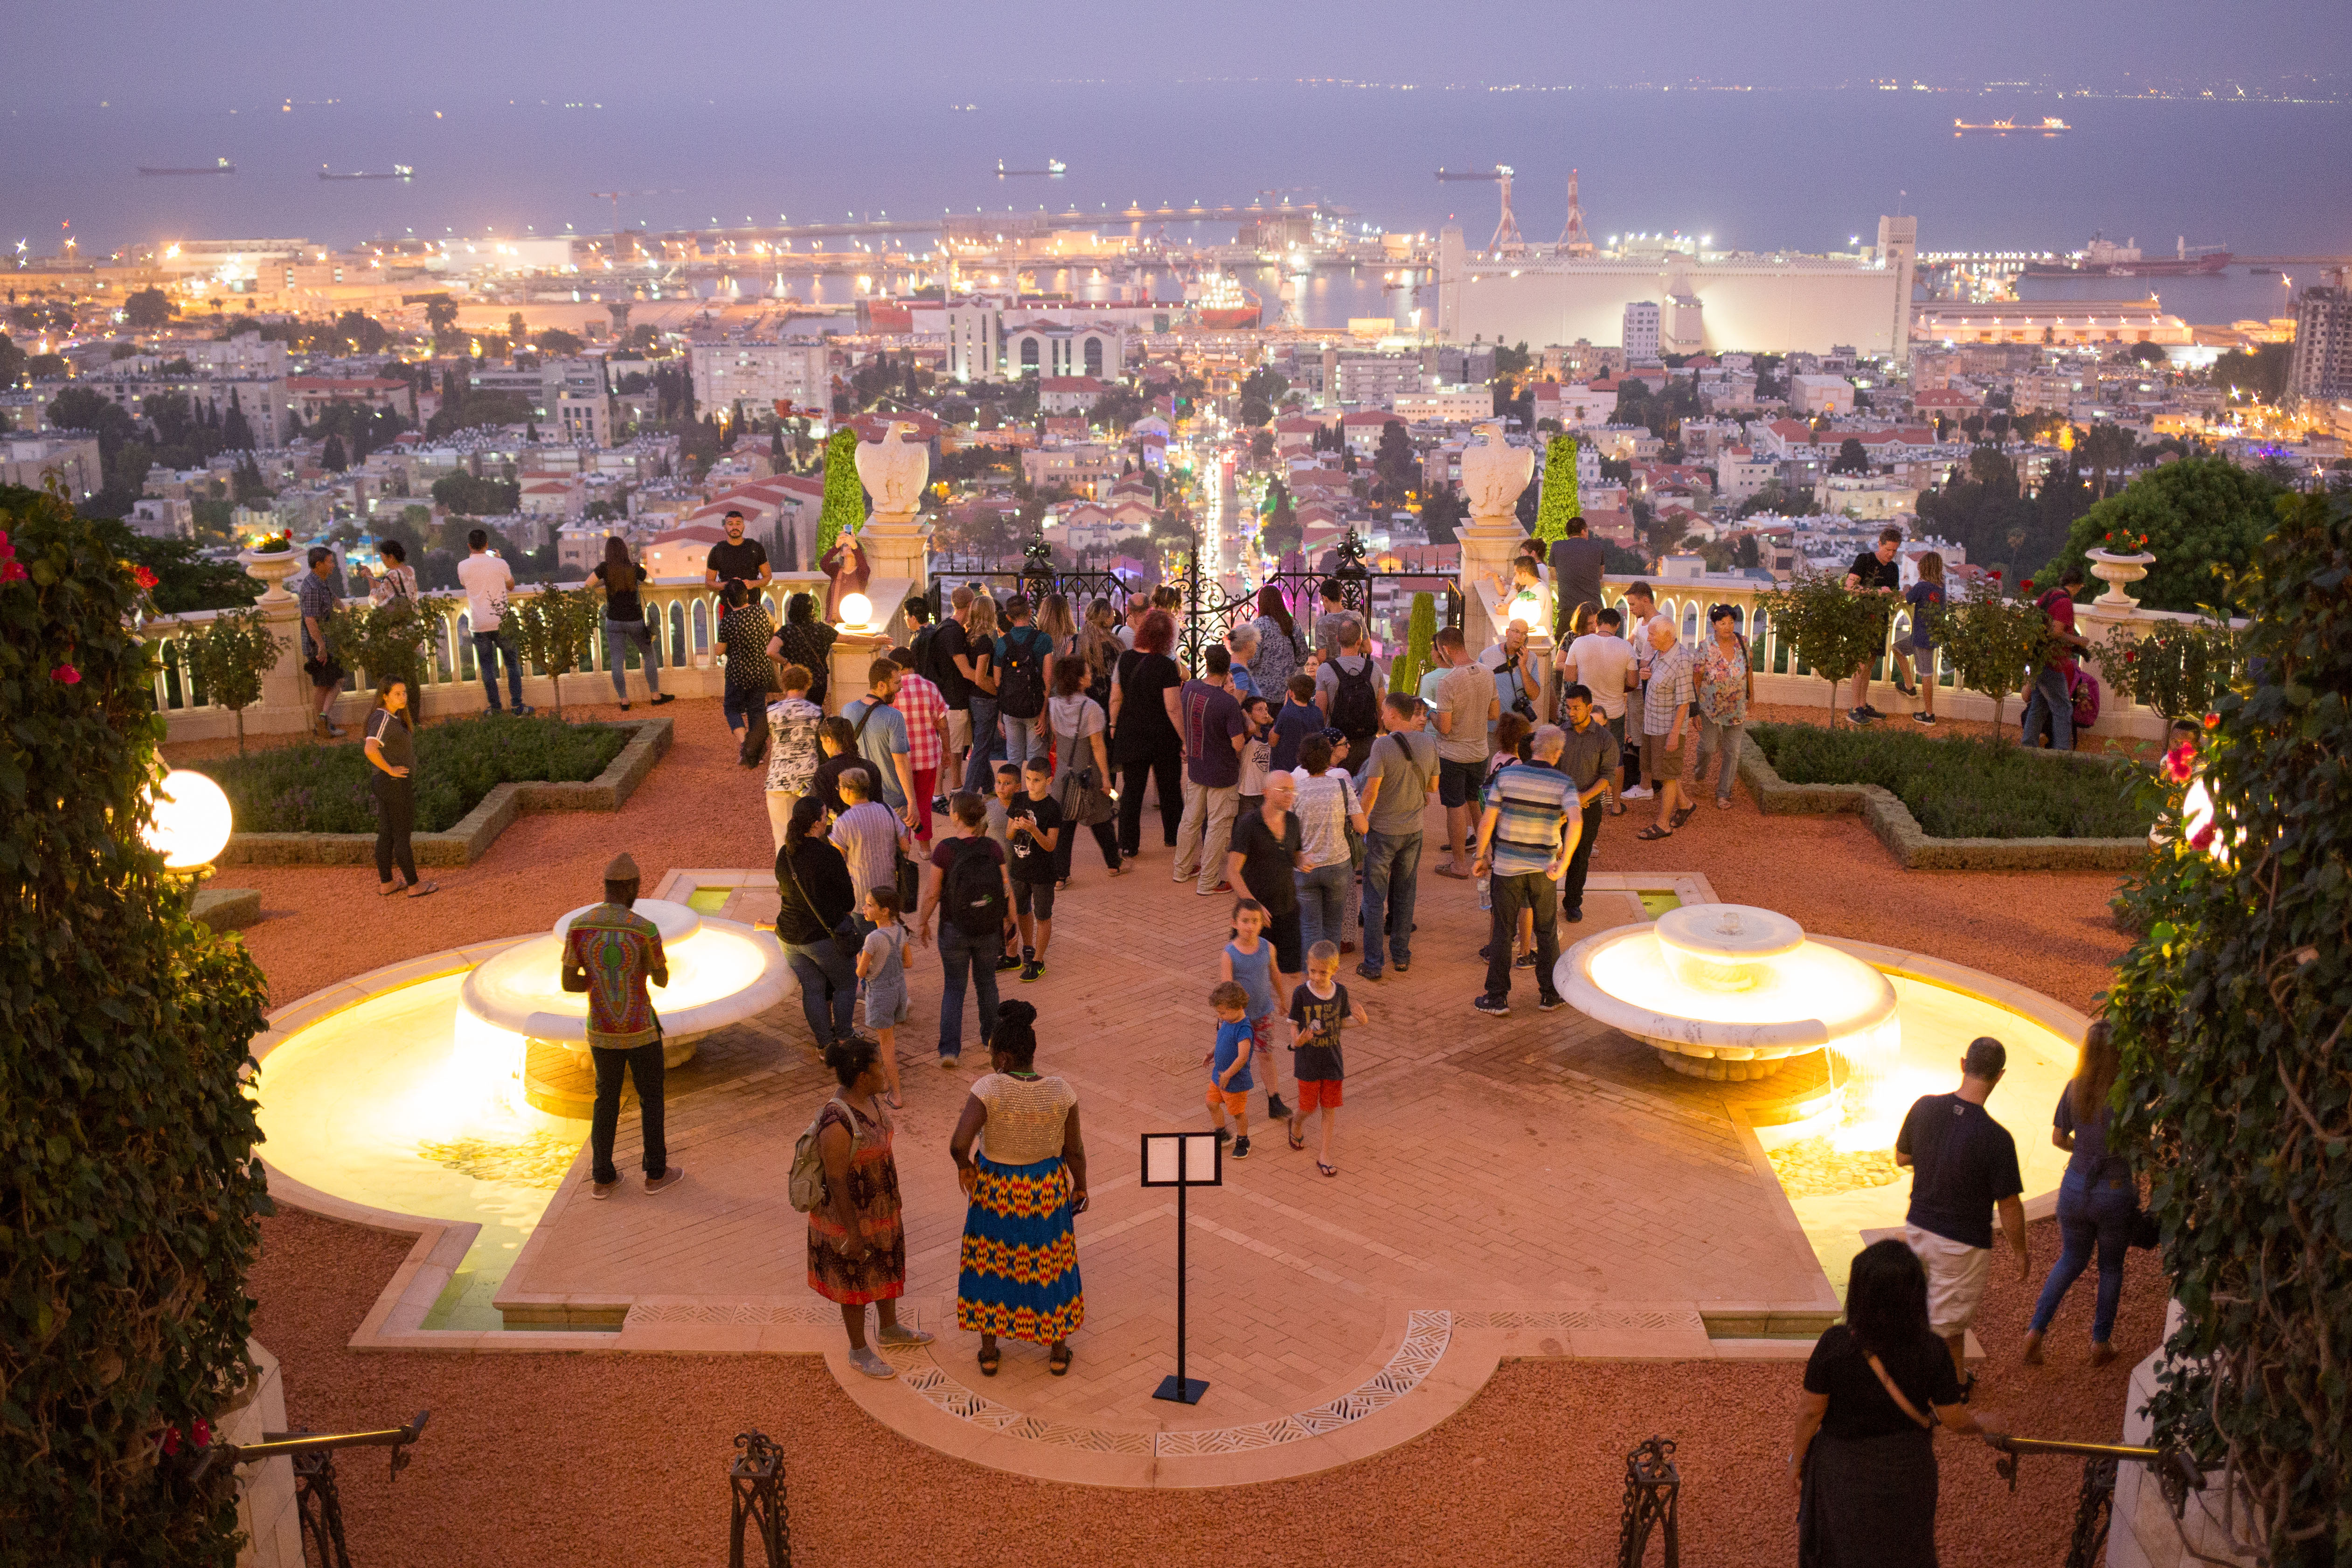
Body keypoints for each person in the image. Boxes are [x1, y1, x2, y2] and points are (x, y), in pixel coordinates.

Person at [1791, 1239, 2005, 1568]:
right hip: (1907, 1464)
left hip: (1843, 1465)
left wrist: (1797, 1462)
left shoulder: (1835, 1344)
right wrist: (1983, 1424)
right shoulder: (1932, 1349)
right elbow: (1952, 1418)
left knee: (1841, 1548)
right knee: (1905, 1547)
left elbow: (1810, 1412)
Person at [951, 1000, 1087, 1376]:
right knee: (1050, 1264)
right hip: (1045, 1188)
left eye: (994, 1055)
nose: (993, 1062)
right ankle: (1058, 1353)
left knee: (991, 1263)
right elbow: (1073, 1148)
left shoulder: (989, 1089)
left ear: (1006, 1057)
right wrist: (1081, 1188)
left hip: (996, 1188)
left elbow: (958, 1144)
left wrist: (965, 1167)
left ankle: (990, 1353)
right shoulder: (1062, 1091)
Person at [1896, 1036, 2030, 1380]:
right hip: (1961, 1242)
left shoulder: (1924, 1106)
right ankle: (1950, 1390)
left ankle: (1939, 1379)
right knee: (1948, 1326)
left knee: (1918, 1310)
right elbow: (2009, 1204)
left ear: (1962, 1064)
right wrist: (2020, 1252)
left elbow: (1902, 1157)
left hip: (1917, 1227)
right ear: (1999, 1076)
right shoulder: (1997, 1139)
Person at [808, 1034, 931, 1380]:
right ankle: (858, 1349)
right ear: (862, 1076)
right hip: (851, 1219)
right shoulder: (837, 1122)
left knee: (884, 1266)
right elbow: (835, 1180)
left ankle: (890, 1329)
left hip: (879, 1210)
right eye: (879, 1066)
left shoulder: (871, 1101)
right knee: (855, 1279)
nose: (885, 1072)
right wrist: (853, 1233)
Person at [561, 852, 682, 1197]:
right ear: (631, 886)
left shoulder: (579, 927)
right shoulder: (644, 929)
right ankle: (656, 1174)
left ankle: (602, 1178)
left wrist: (597, 982)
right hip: (640, 1028)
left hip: (601, 1029)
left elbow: (569, 983)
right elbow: (661, 980)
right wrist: (647, 969)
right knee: (651, 1098)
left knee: (606, 1099)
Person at [2024, 1021, 2136, 1367]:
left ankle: (2035, 1332)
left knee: (2070, 1259)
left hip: (2073, 1187)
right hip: (2114, 1191)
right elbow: (2142, 1144)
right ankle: (2100, 1344)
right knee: (2110, 1267)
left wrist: (2084, 1151)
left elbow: (2058, 1138)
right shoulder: (2128, 1093)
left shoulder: (2075, 1088)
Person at [1471, 724, 1581, 1017]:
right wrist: (1565, 862)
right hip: (1544, 869)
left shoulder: (1506, 776)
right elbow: (1576, 822)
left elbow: (1487, 822)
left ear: (1533, 747)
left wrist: (1480, 856)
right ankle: (1550, 994)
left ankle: (1497, 998)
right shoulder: (1565, 783)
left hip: (1506, 867)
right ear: (1558, 753)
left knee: (1502, 933)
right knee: (1546, 933)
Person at [918, 792, 1012, 1068]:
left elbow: (933, 893)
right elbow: (1006, 889)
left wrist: (923, 921)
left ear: (956, 816)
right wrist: (1012, 920)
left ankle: (949, 1050)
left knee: (954, 989)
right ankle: (991, 1040)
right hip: (988, 929)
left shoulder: (945, 849)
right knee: (987, 984)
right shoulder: (993, 848)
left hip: (953, 929)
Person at [1356, 693, 1435, 981]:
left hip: (1382, 831)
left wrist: (1361, 821)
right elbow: (1433, 788)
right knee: (1405, 893)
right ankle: (1401, 956)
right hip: (1413, 830)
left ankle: (1373, 963)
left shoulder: (1383, 745)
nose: (1382, 716)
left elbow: (1371, 789)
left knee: (1374, 898)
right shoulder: (1429, 743)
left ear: (1394, 714)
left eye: (1384, 711)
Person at [774, 795, 860, 1050]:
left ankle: (826, 1045)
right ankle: (844, 1036)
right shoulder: (829, 855)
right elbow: (849, 901)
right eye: (825, 817)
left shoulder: (785, 854)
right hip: (822, 938)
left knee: (812, 988)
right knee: (846, 984)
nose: (828, 821)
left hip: (789, 937)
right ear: (815, 824)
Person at [1109, 606, 1184, 860]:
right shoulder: (1166, 665)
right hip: (1163, 736)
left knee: (1132, 790)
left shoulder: (1125, 659)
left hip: (1131, 733)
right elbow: (1173, 708)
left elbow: (1115, 699)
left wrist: (1113, 726)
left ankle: (1128, 844)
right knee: (1169, 788)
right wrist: (1185, 739)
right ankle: (1174, 836)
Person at [1287, 940, 1367, 1177]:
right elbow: (1293, 1024)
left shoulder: (1341, 992)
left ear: (1335, 970)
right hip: (1308, 1062)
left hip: (1333, 1062)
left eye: (1323, 972)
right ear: (1307, 967)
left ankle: (1324, 1154)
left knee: (1329, 1109)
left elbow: (1340, 1023)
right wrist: (1296, 1042)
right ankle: (1297, 1122)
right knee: (1308, 1107)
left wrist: (1360, 1022)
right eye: (1313, 971)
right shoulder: (1301, 993)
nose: (1317, 976)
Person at [1174, 643, 1247, 897]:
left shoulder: (1191, 688)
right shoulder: (1228, 703)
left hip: (1197, 766)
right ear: (1228, 670)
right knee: (1217, 827)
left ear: (1206, 663)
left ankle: (1181, 869)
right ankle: (1208, 882)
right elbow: (1238, 743)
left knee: (1190, 820)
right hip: (1222, 773)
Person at [1228, 770, 1306, 1004]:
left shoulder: (1293, 821)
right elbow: (1233, 871)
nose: (1289, 795)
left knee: (1292, 970)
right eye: (1282, 790)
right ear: (1266, 792)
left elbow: (1295, 854)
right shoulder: (1248, 824)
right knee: (1242, 969)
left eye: (1291, 790)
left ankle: (1294, 1018)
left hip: (1287, 907)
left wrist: (1303, 861)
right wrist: (1255, 908)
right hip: (1255, 914)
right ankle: (1235, 1019)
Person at [1429, 625, 1500, 876]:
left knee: (1455, 808)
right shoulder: (1487, 673)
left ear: (1446, 649)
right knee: (1475, 803)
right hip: (1480, 752)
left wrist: (1432, 715)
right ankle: (1486, 855)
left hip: (1453, 756)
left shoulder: (1447, 682)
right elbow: (1494, 714)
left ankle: (1459, 864)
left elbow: (1445, 728)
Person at [1046, 656, 1124, 884]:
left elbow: (1057, 739)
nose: (1091, 675)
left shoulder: (1053, 704)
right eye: (1087, 672)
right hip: (1088, 773)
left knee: (1064, 824)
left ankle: (1060, 875)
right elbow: (1097, 747)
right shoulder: (1092, 709)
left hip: (1064, 773)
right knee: (1101, 819)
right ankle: (1114, 865)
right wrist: (1106, 779)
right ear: (1079, 680)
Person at [1288, 732, 1365, 956]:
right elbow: (1362, 827)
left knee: (1310, 926)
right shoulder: (1342, 787)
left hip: (1306, 867)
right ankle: (1329, 975)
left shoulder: (1295, 792)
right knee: (1333, 926)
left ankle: (1311, 975)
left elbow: (1288, 831)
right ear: (1328, 757)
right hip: (1338, 865)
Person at [362, 676, 436, 898]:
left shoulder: (391, 717)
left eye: (405, 693)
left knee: (387, 834)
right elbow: (370, 749)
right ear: (384, 696)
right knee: (401, 836)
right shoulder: (383, 718)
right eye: (397, 694)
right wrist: (390, 769)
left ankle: (387, 883)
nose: (403, 697)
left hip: (386, 785)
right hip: (394, 785)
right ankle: (414, 885)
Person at [1221, 898, 1292, 1124]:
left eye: (1255, 921)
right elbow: (1227, 989)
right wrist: (1226, 1018)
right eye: (1245, 921)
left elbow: (1275, 974)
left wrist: (1283, 999)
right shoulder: (1229, 954)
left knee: (1266, 1055)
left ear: (1262, 924)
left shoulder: (1268, 948)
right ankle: (1228, 1096)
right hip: (1239, 1020)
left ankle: (1274, 1099)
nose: (1250, 926)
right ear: (1235, 923)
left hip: (1263, 1014)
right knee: (1235, 1058)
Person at [1555, 684, 1618, 923]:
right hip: (1559, 808)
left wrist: (1583, 797)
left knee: (1580, 857)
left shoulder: (1605, 739)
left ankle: (1572, 903)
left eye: (1576, 708)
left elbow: (1607, 776)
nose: (1571, 713)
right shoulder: (1561, 734)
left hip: (1589, 809)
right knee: (1552, 852)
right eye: (1568, 708)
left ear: (1589, 708)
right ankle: (1545, 901)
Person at [1561, 606, 1633, 814]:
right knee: (1616, 757)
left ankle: (1582, 799)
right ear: (1617, 625)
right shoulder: (1625, 647)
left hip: (1588, 710)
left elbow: (1569, 677)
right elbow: (1633, 681)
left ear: (1598, 622)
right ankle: (1616, 804)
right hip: (1614, 710)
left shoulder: (1579, 643)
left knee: (1583, 753)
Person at [1635, 616, 1699, 841]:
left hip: (1667, 728)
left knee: (1669, 776)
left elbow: (1684, 701)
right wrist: (1646, 675)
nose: (1648, 638)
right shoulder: (1660, 652)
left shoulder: (1682, 659)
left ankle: (1663, 824)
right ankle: (1686, 805)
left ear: (1667, 636)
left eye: (1652, 634)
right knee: (1663, 771)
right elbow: (1660, 678)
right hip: (1653, 723)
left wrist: (1674, 735)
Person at [458, 529, 531, 715]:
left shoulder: (463, 566)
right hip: (501, 621)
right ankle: (517, 706)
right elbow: (511, 585)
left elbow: (466, 585)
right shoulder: (500, 563)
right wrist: (498, 559)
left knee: (487, 668)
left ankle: (496, 708)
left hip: (479, 623)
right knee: (512, 664)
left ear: (469, 546)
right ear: (487, 545)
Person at [841, 659, 920, 830]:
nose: (901, 687)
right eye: (897, 682)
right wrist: (912, 802)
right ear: (882, 685)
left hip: (858, 798)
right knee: (897, 853)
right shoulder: (894, 717)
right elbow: (901, 763)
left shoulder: (847, 710)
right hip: (892, 802)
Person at [595, 536, 672, 711]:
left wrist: (605, 582)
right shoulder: (634, 569)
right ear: (625, 551)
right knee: (649, 655)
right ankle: (655, 695)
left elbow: (587, 585)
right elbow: (652, 581)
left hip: (614, 621)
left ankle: (624, 700)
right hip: (634, 620)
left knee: (617, 662)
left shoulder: (605, 569)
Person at [2021, 566, 2091, 751]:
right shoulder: (2065, 602)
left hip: (2037, 657)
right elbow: (2056, 632)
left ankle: (2028, 746)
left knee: (2039, 704)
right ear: (2077, 585)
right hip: (2051, 661)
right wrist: (2079, 640)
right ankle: (2061, 753)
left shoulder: (2050, 593)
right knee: (2063, 709)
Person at [885, 642, 949, 845]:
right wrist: (947, 751)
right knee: (923, 802)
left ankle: (905, 844)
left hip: (899, 758)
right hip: (927, 757)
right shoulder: (930, 687)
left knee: (903, 803)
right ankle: (925, 846)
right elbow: (943, 724)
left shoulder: (892, 692)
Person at [1843, 526, 1906, 725]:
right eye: (1888, 550)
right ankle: (1855, 708)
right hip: (1862, 618)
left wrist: (1898, 595)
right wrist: (1875, 592)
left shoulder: (1894, 568)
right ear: (1880, 544)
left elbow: (1894, 595)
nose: (1891, 554)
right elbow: (1849, 587)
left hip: (1880, 619)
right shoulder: (1865, 560)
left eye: (1895, 551)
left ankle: (1862, 704)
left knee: (1870, 663)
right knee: (1860, 664)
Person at [1006, 757, 1062, 981]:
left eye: (1037, 780)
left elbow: (1051, 845)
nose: (1031, 784)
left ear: (1048, 780)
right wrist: (1017, 826)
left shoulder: (1053, 808)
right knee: (1022, 911)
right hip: (1019, 869)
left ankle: (1039, 961)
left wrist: (1033, 829)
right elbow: (1009, 835)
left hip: (1043, 873)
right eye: (1028, 779)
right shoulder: (1019, 799)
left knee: (1043, 915)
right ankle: (1028, 948)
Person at [1694, 604, 1754, 812]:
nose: (1727, 627)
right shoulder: (1705, 646)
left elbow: (1749, 669)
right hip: (1710, 707)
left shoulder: (1743, 643)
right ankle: (1700, 770)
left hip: (1737, 707)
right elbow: (1697, 677)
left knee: (1733, 750)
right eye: (1722, 623)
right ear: (1714, 624)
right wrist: (1695, 709)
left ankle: (1723, 793)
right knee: (1709, 747)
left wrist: (1751, 694)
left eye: (1731, 622)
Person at [855, 887, 910, 1109]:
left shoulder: (873, 939)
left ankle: (896, 1095)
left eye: (870, 905)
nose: (864, 908)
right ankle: (888, 1082)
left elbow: (861, 973)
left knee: (886, 1045)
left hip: (880, 994)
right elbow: (908, 963)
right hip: (899, 991)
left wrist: (860, 957)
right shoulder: (900, 931)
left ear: (885, 911)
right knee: (889, 1039)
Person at [829, 767, 909, 915]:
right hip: (888, 891)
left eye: (839, 787)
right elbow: (905, 846)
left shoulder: (843, 822)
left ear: (848, 791)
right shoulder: (887, 811)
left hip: (860, 897)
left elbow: (838, 862)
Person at [762, 664, 825, 852]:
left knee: (782, 835)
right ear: (807, 685)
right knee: (812, 835)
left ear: (784, 686)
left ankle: (787, 878)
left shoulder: (771, 712)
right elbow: (823, 749)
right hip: (809, 779)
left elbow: (754, 743)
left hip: (779, 779)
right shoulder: (816, 712)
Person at [1315, 616, 1386, 768]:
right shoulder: (1375, 669)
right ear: (1360, 642)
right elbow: (1382, 708)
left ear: (1337, 639)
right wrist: (1376, 732)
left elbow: (1321, 712)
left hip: (1337, 744)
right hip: (1367, 741)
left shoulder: (1326, 670)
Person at [994, 594, 1053, 772]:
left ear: (1008, 618)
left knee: (1014, 758)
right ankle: (1035, 798)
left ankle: (1013, 797)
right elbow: (1047, 681)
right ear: (1030, 613)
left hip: (1010, 709)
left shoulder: (1001, 643)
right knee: (1036, 759)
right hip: (1035, 709)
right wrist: (1044, 714)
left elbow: (998, 682)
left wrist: (1000, 717)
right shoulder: (1044, 640)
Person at [715, 579, 775, 743]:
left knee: (732, 708)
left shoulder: (728, 621)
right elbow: (776, 630)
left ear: (728, 601)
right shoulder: (762, 612)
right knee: (756, 710)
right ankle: (756, 750)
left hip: (738, 673)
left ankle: (745, 744)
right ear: (747, 595)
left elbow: (720, 651)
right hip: (762, 670)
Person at [930, 585, 978, 793]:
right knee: (948, 752)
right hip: (954, 701)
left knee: (956, 751)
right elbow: (966, 671)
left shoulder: (946, 627)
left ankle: (957, 788)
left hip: (950, 699)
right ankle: (938, 795)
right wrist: (994, 685)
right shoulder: (953, 633)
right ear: (970, 604)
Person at [1618, 582, 1662, 800]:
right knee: (1636, 729)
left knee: (1649, 731)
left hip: (1649, 687)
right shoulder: (1639, 622)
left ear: (1646, 600)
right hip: (1636, 685)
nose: (1631, 609)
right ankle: (1640, 777)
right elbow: (1629, 644)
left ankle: (1651, 781)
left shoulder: (1660, 624)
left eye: (1633, 604)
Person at [297, 546, 346, 738]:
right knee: (326, 684)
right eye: (330, 562)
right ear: (319, 565)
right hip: (318, 645)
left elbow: (330, 596)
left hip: (326, 641)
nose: (333, 565)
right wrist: (321, 646)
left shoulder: (320, 582)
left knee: (330, 682)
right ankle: (323, 722)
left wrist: (340, 605)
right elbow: (310, 619)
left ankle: (323, 723)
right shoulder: (311, 588)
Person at [957, 594, 1003, 797]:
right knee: (982, 748)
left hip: (972, 698)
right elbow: (979, 677)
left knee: (980, 744)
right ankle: (968, 794)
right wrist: (998, 692)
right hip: (985, 699)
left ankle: (989, 787)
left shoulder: (969, 638)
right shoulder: (985, 642)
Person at [1205, 980, 1256, 1159]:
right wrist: (1212, 1052)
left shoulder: (1244, 1029)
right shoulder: (1226, 1020)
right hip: (1218, 1075)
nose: (1220, 1015)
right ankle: (1222, 1133)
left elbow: (1242, 1057)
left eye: (1223, 1012)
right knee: (1212, 1103)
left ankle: (1243, 1140)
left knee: (1237, 1112)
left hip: (1234, 1080)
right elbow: (1221, 1039)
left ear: (1239, 1006)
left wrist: (1228, 1075)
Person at [772, 591, 836, 711]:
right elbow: (847, 638)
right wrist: (876, 639)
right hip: (818, 680)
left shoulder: (787, 631)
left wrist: (785, 663)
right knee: (815, 714)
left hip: (795, 681)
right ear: (811, 610)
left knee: (795, 712)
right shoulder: (821, 629)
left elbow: (770, 652)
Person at [1905, 552, 1947, 726]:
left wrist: (1907, 587)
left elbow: (1909, 598)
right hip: (1928, 635)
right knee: (1898, 649)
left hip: (1921, 637)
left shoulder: (1922, 586)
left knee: (1926, 674)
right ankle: (1909, 686)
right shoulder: (1940, 587)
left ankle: (1929, 714)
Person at [1549, 515, 1609, 636]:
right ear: (1583, 531)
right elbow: (1600, 574)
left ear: (1568, 533)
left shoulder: (1556, 546)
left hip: (1568, 611)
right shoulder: (1597, 546)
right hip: (1593, 610)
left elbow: (1553, 575)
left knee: (1565, 647)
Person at [810, 715, 877, 818]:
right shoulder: (871, 767)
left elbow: (818, 813)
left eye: (822, 741)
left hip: (836, 831)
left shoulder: (824, 772)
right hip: (870, 827)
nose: (823, 746)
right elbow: (878, 805)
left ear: (829, 741)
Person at [1247, 582, 1302, 700]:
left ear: (1261, 604)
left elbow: (1252, 659)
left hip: (1262, 695)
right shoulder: (1293, 624)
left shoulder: (1260, 624)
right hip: (1288, 694)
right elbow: (1302, 658)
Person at [704, 509, 772, 594]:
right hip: (727, 604)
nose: (735, 527)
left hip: (752, 603)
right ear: (725, 527)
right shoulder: (717, 551)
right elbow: (709, 583)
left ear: (744, 526)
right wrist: (727, 585)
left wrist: (753, 584)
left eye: (738, 524)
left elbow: (768, 577)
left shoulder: (755, 547)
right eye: (730, 524)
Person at [1270, 672, 1325, 775]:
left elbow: (1273, 742)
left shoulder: (1286, 713)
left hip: (1287, 770)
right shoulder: (1317, 712)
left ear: (1291, 693)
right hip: (1309, 768)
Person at [818, 527, 869, 626]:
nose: (849, 547)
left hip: (854, 623)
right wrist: (837, 546)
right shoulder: (836, 570)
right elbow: (823, 564)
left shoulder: (861, 573)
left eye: (852, 546)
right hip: (834, 623)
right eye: (846, 545)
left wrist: (855, 546)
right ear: (841, 553)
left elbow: (865, 568)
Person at [1235, 694, 1273, 815]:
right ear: (1249, 714)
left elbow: (1278, 730)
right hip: (1247, 792)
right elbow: (1251, 729)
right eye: (1260, 710)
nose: (1265, 713)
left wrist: (1271, 721)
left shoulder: (1268, 734)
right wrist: (1244, 713)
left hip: (1265, 791)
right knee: (1246, 827)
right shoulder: (1246, 734)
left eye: (1266, 709)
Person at [368, 537, 419, 610]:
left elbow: (375, 599)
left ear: (391, 557)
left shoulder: (393, 574)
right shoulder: (410, 570)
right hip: (413, 616)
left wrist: (370, 577)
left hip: (401, 619)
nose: (382, 560)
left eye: (382, 556)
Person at [1225, 622, 1263, 703]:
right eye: (1255, 643)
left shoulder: (1229, 665)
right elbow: (1235, 706)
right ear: (1247, 645)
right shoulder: (1241, 673)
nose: (1256, 647)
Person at [1311, 578, 1350, 655]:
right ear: (1341, 596)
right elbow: (1368, 649)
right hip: (1354, 665)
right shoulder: (1357, 617)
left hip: (1331, 666)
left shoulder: (1322, 623)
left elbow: (1322, 656)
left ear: (1325, 598)